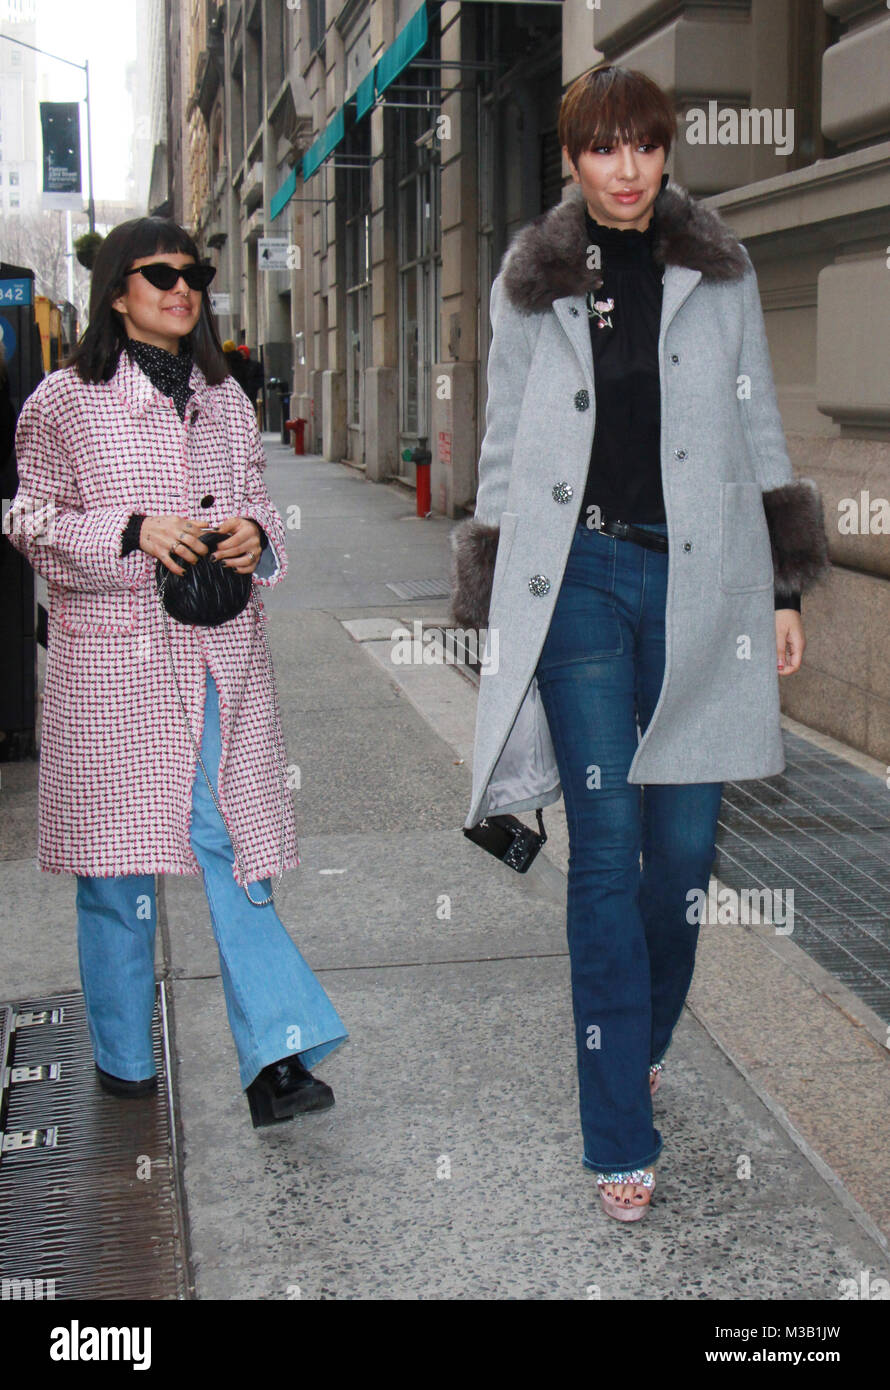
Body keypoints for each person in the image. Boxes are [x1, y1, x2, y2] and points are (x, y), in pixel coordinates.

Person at [450, 64, 831, 1221]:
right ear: (568, 160)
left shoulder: (717, 267)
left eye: (645, 148)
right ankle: (618, 1126)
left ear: (666, 153)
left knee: (682, 860)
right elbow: (508, 442)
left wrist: (781, 587)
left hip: (703, 583)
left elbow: (759, 421)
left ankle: (644, 1032)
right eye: (603, 150)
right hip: (579, 581)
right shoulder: (531, 279)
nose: (626, 170)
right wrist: (492, 593)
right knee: (606, 853)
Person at [5, 216, 347, 1129]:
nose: (181, 288)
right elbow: (29, 524)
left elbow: (259, 503)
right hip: (114, 671)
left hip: (217, 660)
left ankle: (276, 1056)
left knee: (231, 844)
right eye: (160, 274)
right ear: (118, 289)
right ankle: (123, 1058)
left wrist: (253, 532)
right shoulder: (62, 403)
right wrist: (126, 532)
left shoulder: (226, 397)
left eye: (193, 273)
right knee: (116, 873)